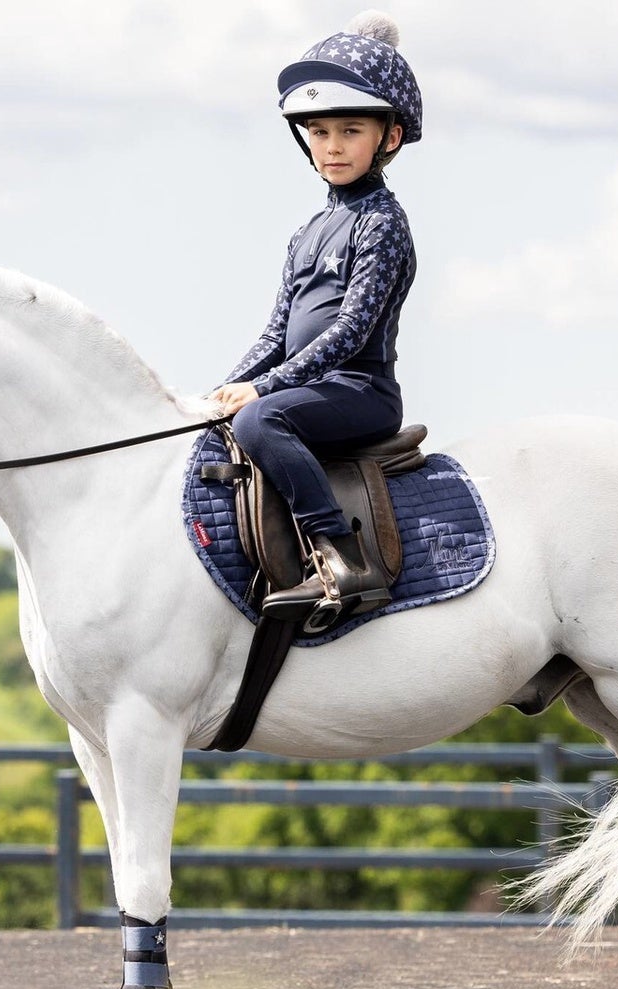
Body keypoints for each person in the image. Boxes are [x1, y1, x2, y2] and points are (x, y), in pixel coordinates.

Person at [205, 9, 423, 628]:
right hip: (308, 390)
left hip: (362, 391)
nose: (331, 146)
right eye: (319, 132)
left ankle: (342, 558)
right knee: (226, 420)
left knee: (258, 420)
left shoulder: (380, 222)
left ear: (389, 138)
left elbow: (351, 330)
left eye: (350, 130)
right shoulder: (307, 232)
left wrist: (260, 391)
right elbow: (277, 333)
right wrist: (220, 388)